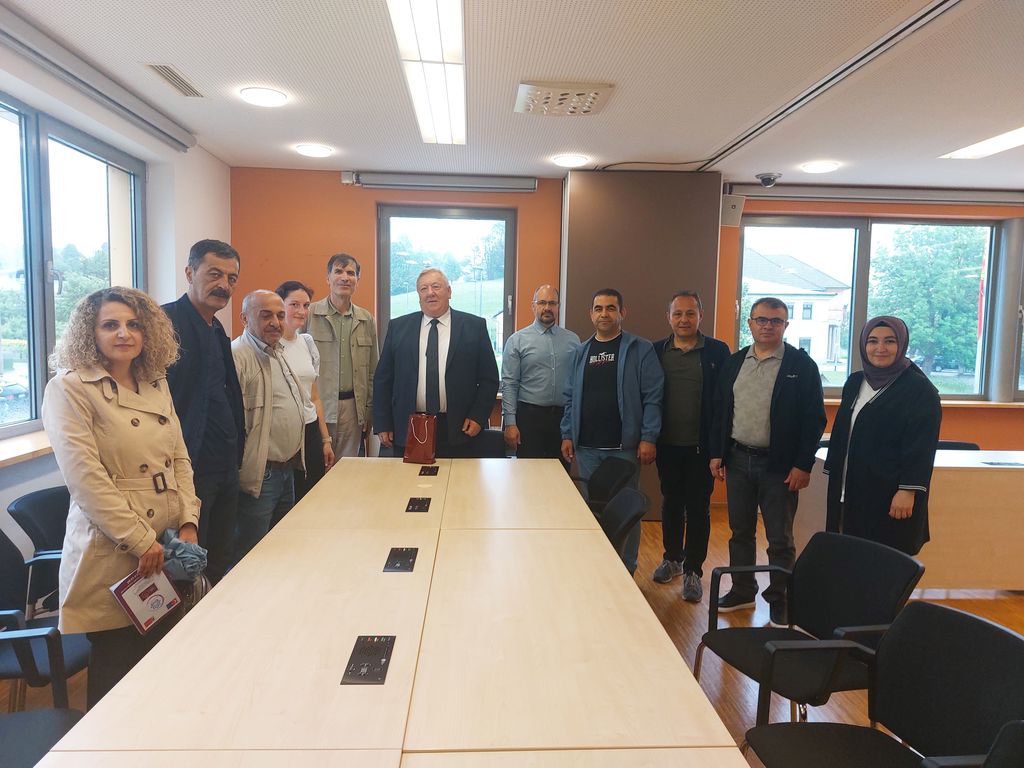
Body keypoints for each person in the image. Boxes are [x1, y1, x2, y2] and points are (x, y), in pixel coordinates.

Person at [42, 287, 200, 709]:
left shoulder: (155, 381)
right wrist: (140, 540)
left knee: (163, 665)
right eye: (110, 325)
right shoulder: (69, 389)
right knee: (118, 676)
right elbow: (86, 480)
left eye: (133, 324)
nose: (124, 333)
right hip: (114, 545)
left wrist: (188, 521)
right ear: (89, 333)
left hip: (167, 541)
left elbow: (179, 458)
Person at [709, 297, 825, 626]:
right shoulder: (735, 363)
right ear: (750, 323)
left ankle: (780, 598)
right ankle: (743, 589)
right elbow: (721, 411)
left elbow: (814, 419)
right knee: (740, 532)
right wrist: (717, 452)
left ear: (785, 325)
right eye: (761, 320)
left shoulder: (801, 366)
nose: (767, 326)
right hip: (738, 459)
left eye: (775, 321)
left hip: (780, 467)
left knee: (780, 538)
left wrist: (803, 464)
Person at [561, 288, 663, 573]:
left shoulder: (640, 349)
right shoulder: (581, 352)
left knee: (625, 514)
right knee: (594, 510)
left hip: (624, 449)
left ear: (622, 313)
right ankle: (599, 567)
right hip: (587, 447)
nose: (604, 314)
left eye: (610, 308)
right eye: (598, 308)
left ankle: (626, 569)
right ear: (591, 314)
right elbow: (569, 397)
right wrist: (567, 434)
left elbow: (653, 396)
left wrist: (648, 437)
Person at [162, 239, 244, 584]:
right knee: (188, 565)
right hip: (188, 467)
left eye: (231, 278)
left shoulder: (216, 328)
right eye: (214, 274)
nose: (223, 285)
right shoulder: (163, 325)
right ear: (189, 273)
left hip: (224, 463)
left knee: (220, 557)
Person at [824, 315, 941, 555]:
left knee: (883, 559)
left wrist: (908, 490)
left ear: (902, 345)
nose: (880, 348)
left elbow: (922, 447)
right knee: (847, 554)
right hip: (849, 488)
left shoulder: (919, 389)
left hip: (889, 493)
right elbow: (844, 431)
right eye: (873, 341)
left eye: (889, 341)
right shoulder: (855, 382)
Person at [651, 291, 730, 602]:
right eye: (678, 314)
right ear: (668, 317)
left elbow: (724, 403)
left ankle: (693, 570)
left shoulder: (717, 351)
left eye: (690, 313)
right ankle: (672, 558)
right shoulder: (656, 350)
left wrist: (719, 450)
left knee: (698, 508)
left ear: (700, 316)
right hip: (667, 444)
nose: (683, 319)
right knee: (671, 502)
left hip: (702, 448)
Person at [374, 268, 499, 458]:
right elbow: (383, 379)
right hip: (410, 426)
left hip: (460, 428)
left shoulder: (474, 327)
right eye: (423, 289)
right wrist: (383, 423)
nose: (430, 293)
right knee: (411, 477)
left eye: (436, 286)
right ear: (419, 296)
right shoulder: (398, 327)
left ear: (449, 291)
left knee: (458, 476)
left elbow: (489, 379)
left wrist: (478, 416)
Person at [232, 290, 306, 563]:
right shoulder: (238, 356)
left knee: (280, 551)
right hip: (260, 477)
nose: (275, 322)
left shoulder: (276, 351)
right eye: (265, 316)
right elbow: (233, 423)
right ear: (244, 318)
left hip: (286, 471)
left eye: (279, 315)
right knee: (250, 556)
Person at [306, 253, 378, 457]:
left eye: (351, 273)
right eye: (338, 271)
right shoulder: (310, 314)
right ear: (328, 278)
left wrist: (369, 410)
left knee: (348, 468)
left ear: (357, 280)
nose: (345, 277)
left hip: (353, 411)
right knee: (318, 467)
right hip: (318, 407)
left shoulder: (366, 319)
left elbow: (373, 371)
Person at [501, 284, 580, 468]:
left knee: (560, 474)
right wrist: (510, 423)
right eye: (542, 302)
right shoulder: (517, 340)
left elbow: (577, 385)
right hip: (529, 419)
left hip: (562, 420)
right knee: (528, 474)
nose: (547, 307)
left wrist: (572, 428)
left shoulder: (573, 340)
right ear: (533, 306)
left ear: (558, 306)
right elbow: (509, 384)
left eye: (552, 303)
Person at [276, 281, 335, 501]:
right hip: (284, 435)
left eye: (306, 305)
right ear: (280, 305)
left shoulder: (307, 343)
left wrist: (326, 440)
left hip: (310, 431)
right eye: (294, 305)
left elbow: (314, 397)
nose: (301, 311)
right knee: (287, 502)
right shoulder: (270, 346)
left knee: (312, 497)